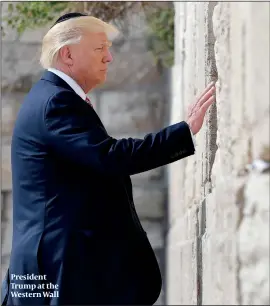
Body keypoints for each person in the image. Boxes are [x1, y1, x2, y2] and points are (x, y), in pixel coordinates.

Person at [1, 13, 216, 306]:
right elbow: (110, 156)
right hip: (56, 270)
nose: (109, 58)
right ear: (68, 54)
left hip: (60, 267)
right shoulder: (55, 102)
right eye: (99, 48)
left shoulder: (55, 97)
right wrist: (183, 132)